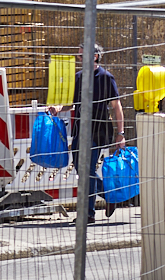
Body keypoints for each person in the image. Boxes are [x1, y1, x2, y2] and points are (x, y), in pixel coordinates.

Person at [50, 43, 125, 223]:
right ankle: (109, 196)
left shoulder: (106, 78)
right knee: (81, 168)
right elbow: (73, 103)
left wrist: (120, 133)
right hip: (79, 131)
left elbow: (116, 106)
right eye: (79, 56)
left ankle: (87, 214)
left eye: (82, 56)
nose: (79, 59)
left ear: (95, 56)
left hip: (97, 131)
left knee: (87, 170)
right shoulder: (78, 77)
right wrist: (59, 108)